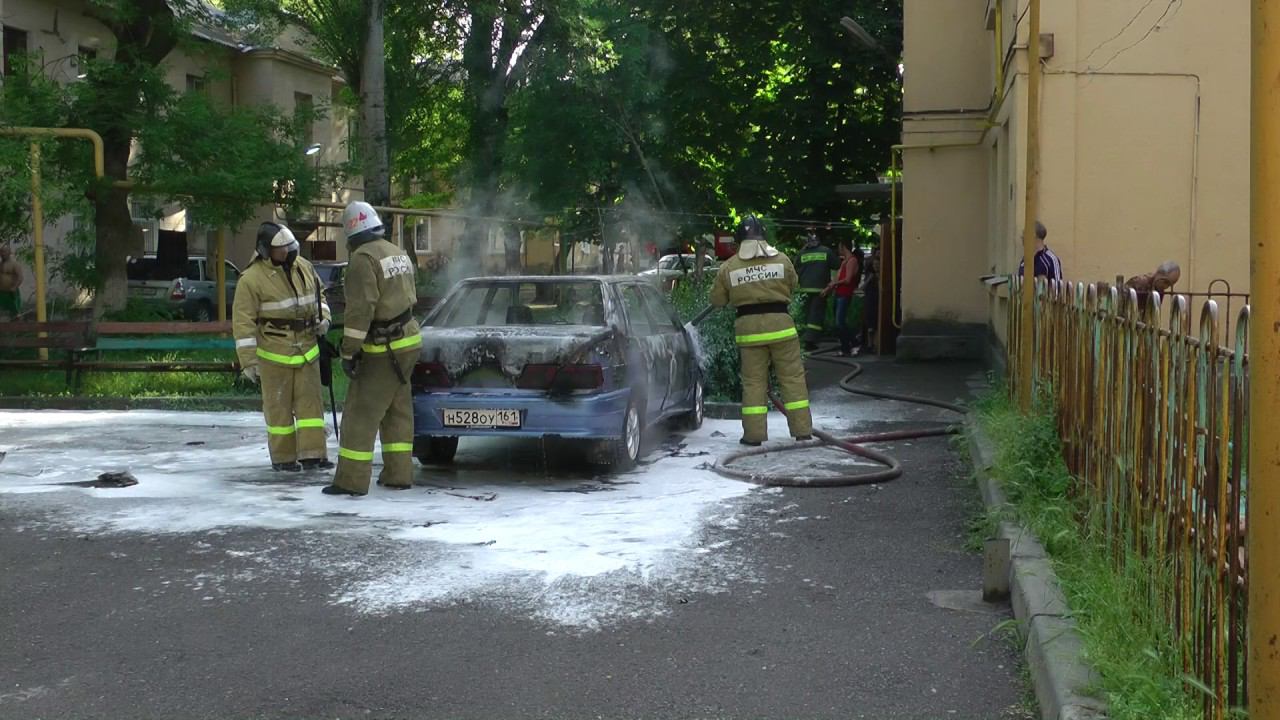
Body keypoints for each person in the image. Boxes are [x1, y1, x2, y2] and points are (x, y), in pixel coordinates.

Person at [324, 201, 423, 497]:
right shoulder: (396, 252)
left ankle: (350, 481)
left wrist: (349, 352)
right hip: (408, 341)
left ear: (351, 233)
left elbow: (360, 311)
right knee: (398, 411)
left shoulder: (362, 259)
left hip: (383, 349)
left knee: (360, 414)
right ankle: (398, 474)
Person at [232, 222, 334, 472]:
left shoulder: (304, 267)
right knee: (279, 412)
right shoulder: (251, 279)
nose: (288, 251)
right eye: (282, 248)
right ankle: (283, 458)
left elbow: (320, 296)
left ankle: (313, 455)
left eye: (290, 246)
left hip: (307, 351)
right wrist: (249, 362)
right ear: (266, 250)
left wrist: (324, 318)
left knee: (311, 409)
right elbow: (243, 323)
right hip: (274, 355)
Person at [710, 216, 812, 446]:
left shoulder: (729, 267)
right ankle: (802, 431)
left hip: (750, 332)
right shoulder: (782, 259)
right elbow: (793, 285)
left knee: (753, 383)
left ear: (739, 239)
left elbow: (717, 300)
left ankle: (754, 436)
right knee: (793, 379)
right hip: (781, 328)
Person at [794, 227, 839, 350]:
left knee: (807, 315)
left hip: (804, 290)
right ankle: (810, 341)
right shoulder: (826, 251)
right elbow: (837, 265)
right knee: (816, 316)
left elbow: (795, 267)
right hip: (820, 290)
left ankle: (804, 339)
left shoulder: (801, 253)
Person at [823, 240, 862, 356]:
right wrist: (829, 288)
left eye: (839, 247)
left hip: (845, 294)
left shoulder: (852, 260)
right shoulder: (844, 261)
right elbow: (838, 277)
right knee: (838, 322)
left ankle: (854, 342)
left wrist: (834, 284)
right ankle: (846, 347)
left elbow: (848, 279)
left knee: (840, 322)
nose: (838, 249)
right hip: (839, 293)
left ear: (843, 247)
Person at [861, 247, 880, 351]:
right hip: (870, 300)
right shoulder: (870, 276)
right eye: (874, 265)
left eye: (878, 265)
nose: (876, 267)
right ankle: (869, 344)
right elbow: (862, 287)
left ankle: (876, 344)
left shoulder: (882, 276)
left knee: (877, 323)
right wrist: (869, 279)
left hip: (878, 301)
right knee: (870, 323)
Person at [0, 244, 23, 321]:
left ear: (9, 252)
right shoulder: (0, 265)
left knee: (16, 312)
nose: (3, 254)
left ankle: (19, 326)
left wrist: (15, 287)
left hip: (11, 292)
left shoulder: (14, 264)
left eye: (5, 251)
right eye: (1, 252)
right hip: (1, 292)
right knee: (3, 312)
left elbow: (20, 277)